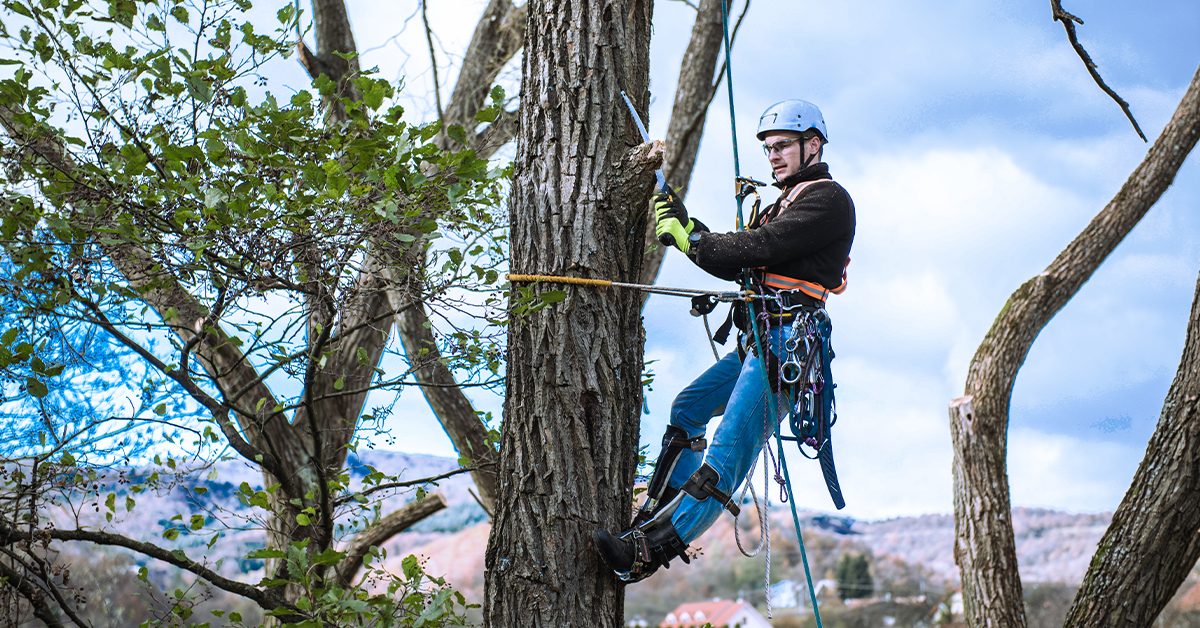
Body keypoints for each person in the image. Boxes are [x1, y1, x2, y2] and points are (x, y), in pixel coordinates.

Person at [593, 99, 856, 582]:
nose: (773, 157)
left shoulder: (828, 200)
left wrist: (691, 239)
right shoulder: (785, 200)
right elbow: (740, 260)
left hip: (786, 350)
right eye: (768, 149)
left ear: (812, 145)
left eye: (782, 147)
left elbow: (761, 247)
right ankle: (656, 511)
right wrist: (688, 227)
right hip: (759, 340)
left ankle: (645, 553)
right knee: (688, 407)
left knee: (726, 457)